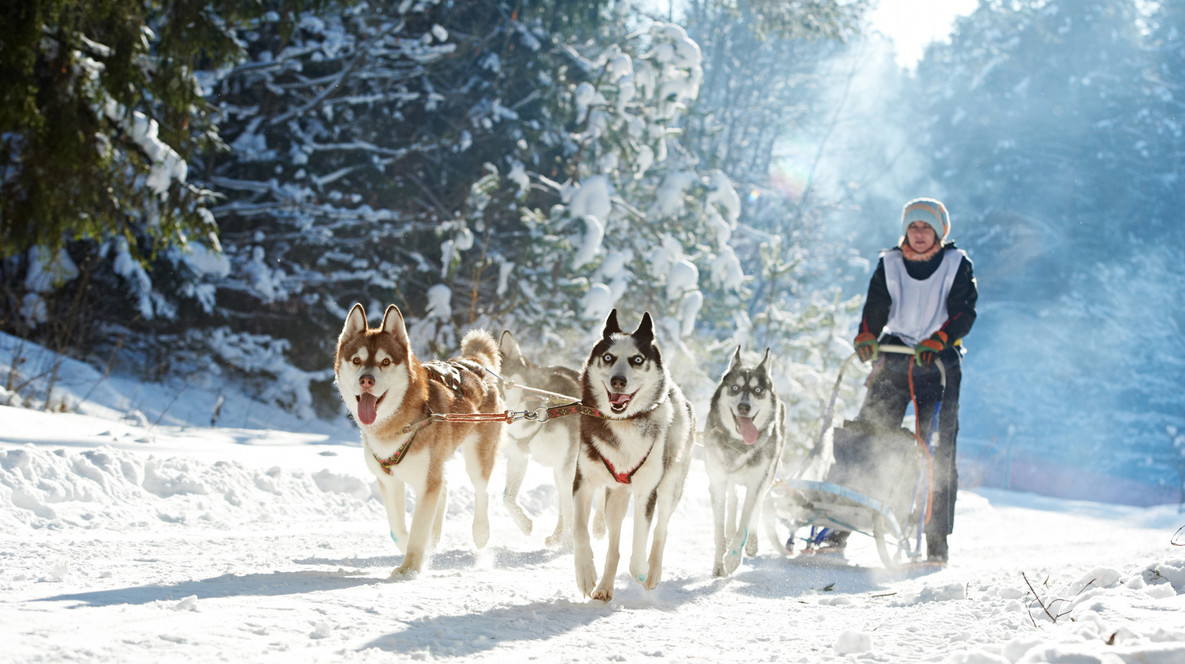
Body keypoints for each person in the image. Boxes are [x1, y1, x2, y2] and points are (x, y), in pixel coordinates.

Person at [819, 197, 978, 563]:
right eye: (913, 227)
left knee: (937, 451)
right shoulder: (889, 263)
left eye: (927, 228)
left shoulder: (956, 264)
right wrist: (866, 336)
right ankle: (837, 527)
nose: (919, 234)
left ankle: (936, 541)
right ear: (905, 231)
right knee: (864, 437)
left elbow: (964, 311)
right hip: (895, 359)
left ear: (939, 232)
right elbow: (875, 307)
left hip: (938, 364)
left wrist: (941, 338)